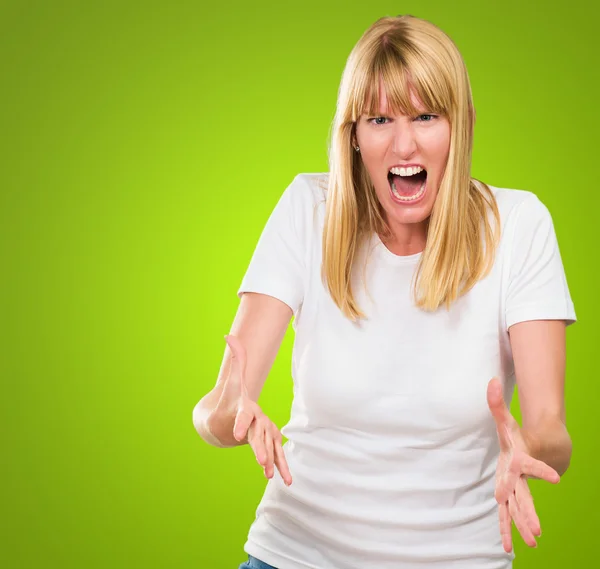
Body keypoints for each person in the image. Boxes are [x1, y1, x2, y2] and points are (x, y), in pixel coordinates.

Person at [192, 14, 576, 569]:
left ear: (461, 125)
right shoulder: (309, 210)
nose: (404, 143)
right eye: (379, 118)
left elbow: (549, 431)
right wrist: (230, 412)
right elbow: (217, 411)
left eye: (426, 116)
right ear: (353, 135)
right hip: (293, 555)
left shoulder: (518, 225)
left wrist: (529, 450)